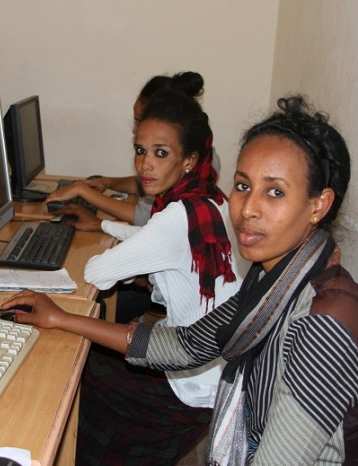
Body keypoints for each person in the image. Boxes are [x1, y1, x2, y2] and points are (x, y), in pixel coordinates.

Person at [2, 96, 358, 465]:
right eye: (243, 186)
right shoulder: (274, 278)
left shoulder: (324, 325)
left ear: (318, 204)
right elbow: (188, 345)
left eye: (275, 192)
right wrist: (59, 319)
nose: (248, 209)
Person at [58, 89, 247, 465]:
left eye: (161, 153)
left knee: (70, 368)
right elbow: (163, 241)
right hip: (221, 377)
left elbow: (98, 273)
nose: (145, 164)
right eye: (140, 150)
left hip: (186, 385)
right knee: (90, 356)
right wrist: (104, 225)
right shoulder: (212, 199)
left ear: (190, 159)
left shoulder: (175, 216)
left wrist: (105, 243)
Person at [47, 71, 221, 231]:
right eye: (140, 151)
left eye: (140, 120)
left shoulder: (185, 202)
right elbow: (153, 225)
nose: (135, 129)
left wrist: (83, 191)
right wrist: (107, 185)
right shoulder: (188, 168)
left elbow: (147, 219)